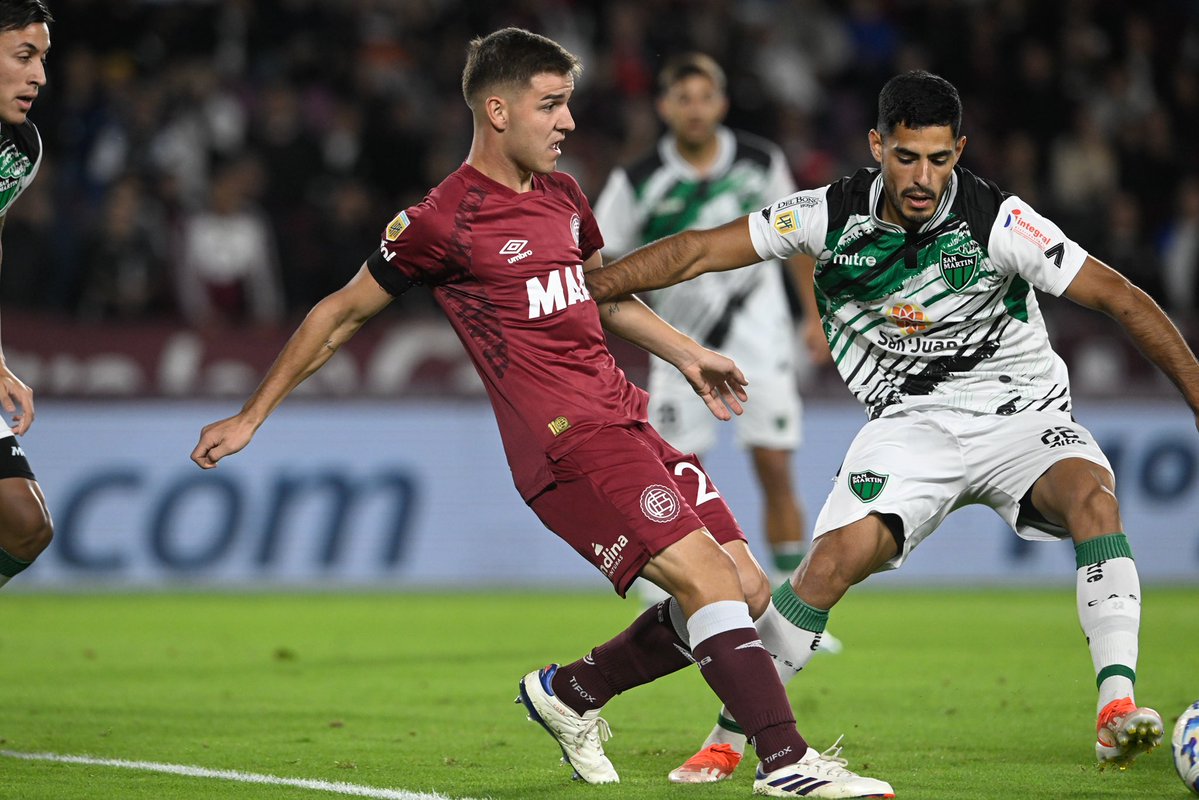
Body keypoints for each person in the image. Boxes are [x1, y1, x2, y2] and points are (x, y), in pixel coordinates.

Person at [190, 28, 893, 800]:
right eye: (551, 105)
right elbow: (339, 315)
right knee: (708, 583)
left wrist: (687, 354)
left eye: (567, 104)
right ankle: (785, 761)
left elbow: (602, 297)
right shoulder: (441, 221)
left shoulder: (564, 196)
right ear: (497, 111)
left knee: (749, 588)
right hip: (565, 444)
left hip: (627, 418)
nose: (568, 121)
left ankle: (569, 693)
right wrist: (252, 416)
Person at [586, 69, 1196, 780]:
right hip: (910, 424)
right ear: (877, 145)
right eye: (906, 157)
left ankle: (1115, 708)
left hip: (1021, 416)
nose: (922, 178)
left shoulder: (999, 222)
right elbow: (696, 250)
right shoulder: (827, 214)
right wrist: (590, 286)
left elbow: (1119, 297)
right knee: (829, 564)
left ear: (959, 150)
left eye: (938, 159)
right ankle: (728, 736)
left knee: (1093, 498)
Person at [593, 53, 840, 783]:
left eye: (706, 96)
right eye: (683, 97)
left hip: (761, 338)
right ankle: (676, 589)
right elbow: (602, 261)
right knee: (667, 470)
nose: (695, 108)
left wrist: (812, 317)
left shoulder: (760, 160)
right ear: (666, 106)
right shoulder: (638, 178)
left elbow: (798, 239)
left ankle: (785, 606)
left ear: (721, 102)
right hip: (675, 344)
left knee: (775, 466)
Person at [0, 0, 54, 590]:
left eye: (42, 59)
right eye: (24, 56)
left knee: (26, 526)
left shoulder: (19, 150)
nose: (38, 75)